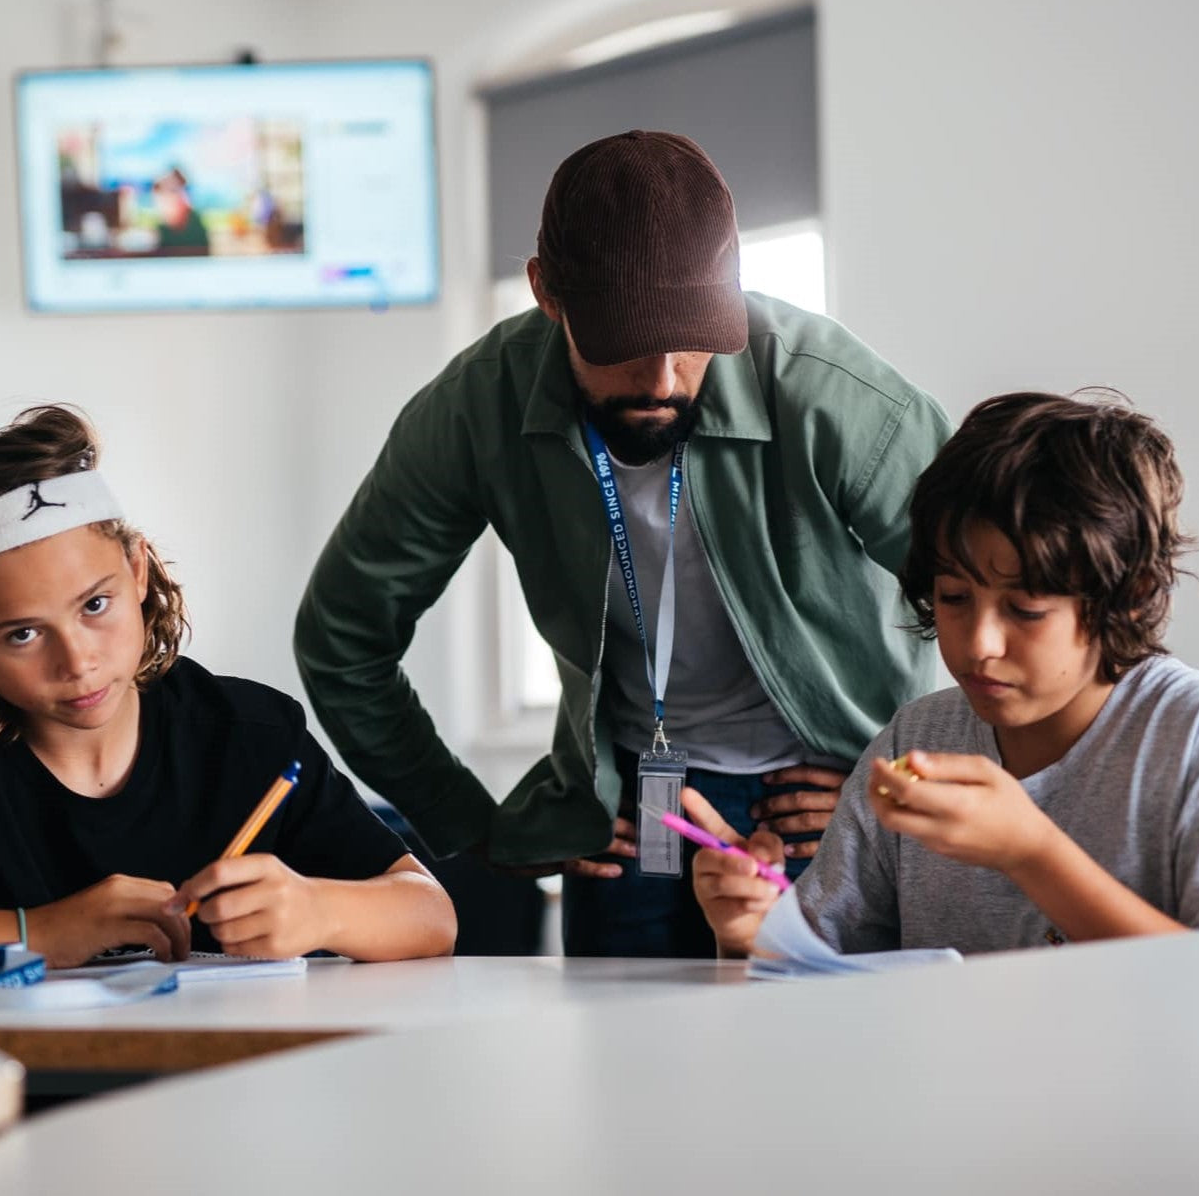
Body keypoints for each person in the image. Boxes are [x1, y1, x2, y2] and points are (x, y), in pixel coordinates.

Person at [295, 130, 952, 956]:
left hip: (822, 793)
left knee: (837, 1067)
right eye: (626, 342)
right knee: (627, 1071)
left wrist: (896, 778)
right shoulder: (476, 406)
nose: (664, 379)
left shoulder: (836, 398)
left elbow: (1000, 603)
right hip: (624, 805)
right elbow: (341, 636)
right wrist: (472, 824)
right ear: (546, 294)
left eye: (692, 338)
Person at [0, 406, 455, 977]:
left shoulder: (248, 734)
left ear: (138, 570)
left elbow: (431, 916)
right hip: (7, 1087)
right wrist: (39, 935)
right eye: (23, 633)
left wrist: (321, 910)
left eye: (95, 604)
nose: (78, 661)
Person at [688, 391, 1199, 958]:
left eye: (1026, 609)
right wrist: (749, 937)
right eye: (955, 597)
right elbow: (814, 987)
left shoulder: (1193, 741)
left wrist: (1032, 852)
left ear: (1128, 599)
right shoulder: (915, 741)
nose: (980, 644)